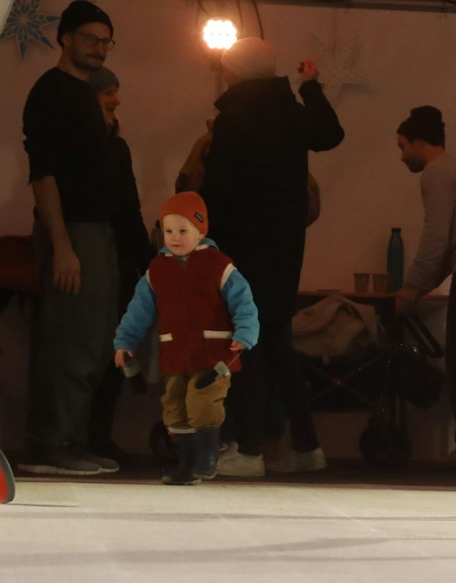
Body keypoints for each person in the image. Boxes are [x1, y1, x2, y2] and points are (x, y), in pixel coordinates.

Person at [199, 37, 344, 478]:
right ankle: (307, 446)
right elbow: (330, 134)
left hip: (242, 246)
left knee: (245, 343)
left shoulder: (234, 118)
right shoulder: (291, 113)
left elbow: (219, 188)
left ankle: (248, 449)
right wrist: (311, 86)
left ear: (234, 72)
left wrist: (201, 236)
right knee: (277, 343)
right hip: (285, 246)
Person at [18, 0, 124, 476]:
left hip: (95, 230)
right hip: (73, 231)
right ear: (65, 38)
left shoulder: (85, 94)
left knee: (95, 339)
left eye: (105, 41)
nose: (99, 48)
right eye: (90, 39)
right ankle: (49, 444)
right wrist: (62, 244)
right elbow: (44, 174)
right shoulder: (51, 93)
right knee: (69, 337)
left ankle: (71, 439)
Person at [112, 193, 260, 485]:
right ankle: (187, 463)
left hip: (214, 356)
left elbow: (244, 302)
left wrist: (245, 334)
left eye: (183, 231)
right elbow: (138, 310)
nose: (175, 238)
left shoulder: (219, 265)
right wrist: (124, 342)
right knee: (174, 407)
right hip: (176, 354)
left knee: (203, 402)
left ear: (201, 231)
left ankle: (207, 455)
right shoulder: (158, 271)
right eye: (169, 231)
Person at [396, 105, 456, 455]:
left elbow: (436, 237)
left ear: (419, 142)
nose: (402, 156)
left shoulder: (437, 173)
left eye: (403, 147)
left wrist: (411, 287)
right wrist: (421, 284)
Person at [89, 64, 154, 462]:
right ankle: (90, 436)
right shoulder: (101, 147)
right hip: (103, 256)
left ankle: (97, 435)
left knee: (112, 351)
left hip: (121, 259)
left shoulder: (116, 146)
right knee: (98, 351)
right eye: (107, 93)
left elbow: (129, 207)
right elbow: (125, 207)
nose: (116, 100)